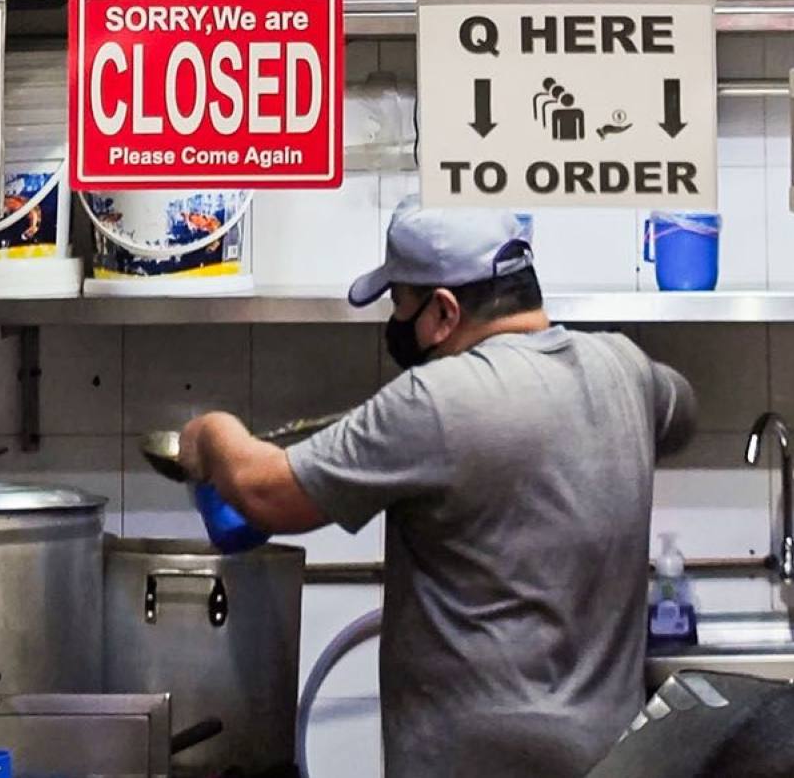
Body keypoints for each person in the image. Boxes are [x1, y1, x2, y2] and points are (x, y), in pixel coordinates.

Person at [178, 204, 698, 778]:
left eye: (400, 303)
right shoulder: (624, 369)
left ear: (444, 312)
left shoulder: (436, 399)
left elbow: (263, 493)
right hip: (611, 758)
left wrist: (212, 432)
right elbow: (682, 409)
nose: (396, 322)